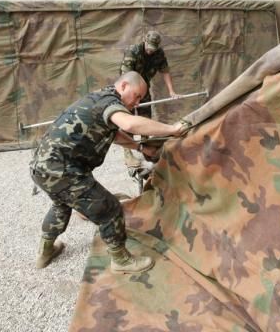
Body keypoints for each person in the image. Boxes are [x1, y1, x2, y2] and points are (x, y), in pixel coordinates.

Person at [30, 71, 185, 273]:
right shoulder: (110, 102)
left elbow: (117, 134)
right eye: (137, 95)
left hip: (43, 168)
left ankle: (45, 252)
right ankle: (121, 260)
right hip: (63, 171)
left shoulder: (102, 99)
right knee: (110, 209)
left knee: (61, 205)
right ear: (123, 87)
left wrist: (140, 149)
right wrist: (172, 129)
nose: (137, 103)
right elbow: (129, 124)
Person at [120, 30, 180, 167]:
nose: (150, 51)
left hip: (143, 88)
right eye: (148, 47)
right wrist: (131, 99)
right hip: (128, 89)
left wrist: (172, 91)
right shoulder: (133, 51)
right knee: (128, 121)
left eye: (153, 49)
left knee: (145, 118)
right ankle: (128, 154)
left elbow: (165, 71)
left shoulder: (158, 53)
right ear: (144, 41)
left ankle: (145, 148)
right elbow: (126, 77)